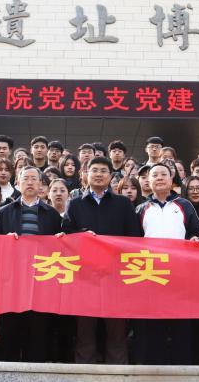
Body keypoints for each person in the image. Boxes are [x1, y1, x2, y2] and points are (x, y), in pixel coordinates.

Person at [63, 156, 142, 364]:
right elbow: (66, 233)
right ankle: (84, 370)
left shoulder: (123, 204)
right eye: (94, 170)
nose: (98, 174)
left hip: (115, 274)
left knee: (117, 329)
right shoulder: (75, 203)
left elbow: (134, 236)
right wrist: (82, 235)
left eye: (103, 171)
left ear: (110, 175)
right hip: (84, 275)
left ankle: (118, 372)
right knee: (85, 328)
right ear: (86, 174)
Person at [0, 167, 65, 362]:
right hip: (13, 280)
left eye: (34, 179)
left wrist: (61, 240)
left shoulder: (52, 214)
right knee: (10, 329)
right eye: (26, 179)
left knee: (38, 330)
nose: (30, 182)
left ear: (41, 184)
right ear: (18, 182)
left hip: (41, 280)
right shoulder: (5, 212)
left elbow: (60, 249)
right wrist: (4, 240)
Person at [134, 163, 199, 365]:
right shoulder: (141, 208)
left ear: (171, 179)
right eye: (154, 175)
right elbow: (132, 241)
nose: (159, 178)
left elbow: (197, 230)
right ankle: (157, 367)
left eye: (163, 174)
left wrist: (195, 239)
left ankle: (183, 366)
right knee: (154, 325)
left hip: (181, 275)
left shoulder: (184, 205)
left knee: (182, 323)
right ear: (148, 181)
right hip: (151, 275)